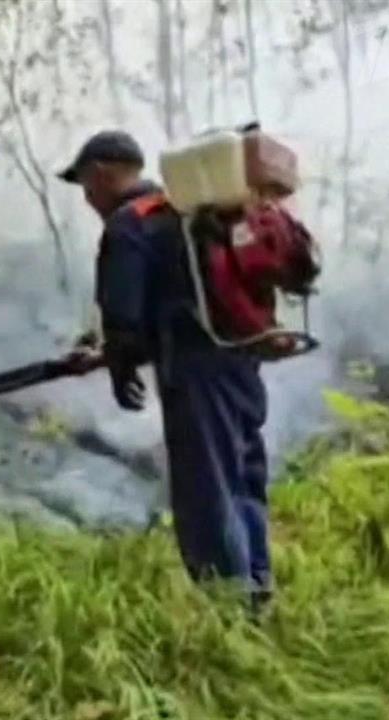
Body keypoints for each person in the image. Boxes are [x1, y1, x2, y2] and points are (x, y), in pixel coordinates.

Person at [58, 130, 273, 610]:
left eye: (87, 187)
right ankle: (258, 592)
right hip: (242, 359)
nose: (88, 198)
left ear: (102, 173)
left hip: (197, 373)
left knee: (205, 491)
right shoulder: (187, 211)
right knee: (242, 477)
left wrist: (119, 366)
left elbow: (124, 316)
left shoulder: (129, 224)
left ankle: (229, 612)